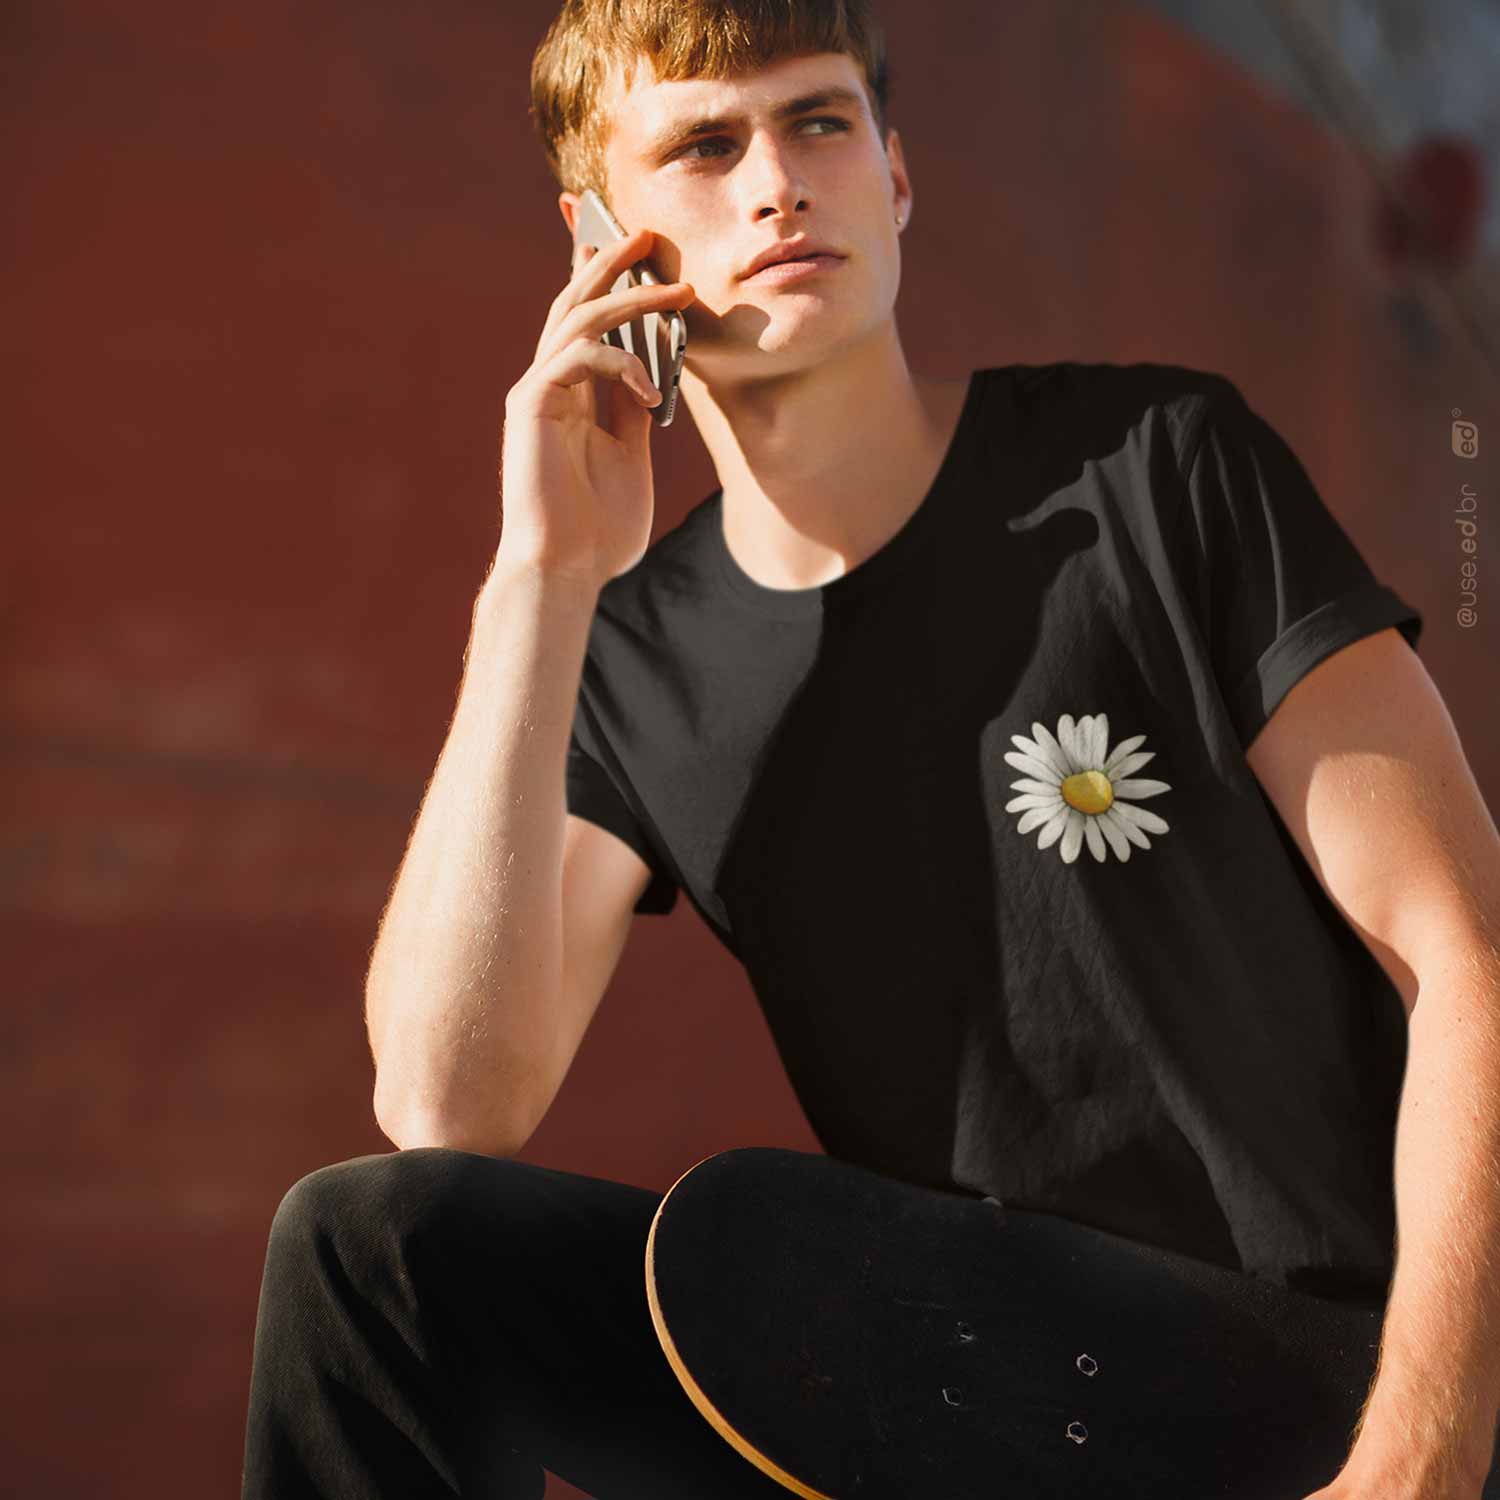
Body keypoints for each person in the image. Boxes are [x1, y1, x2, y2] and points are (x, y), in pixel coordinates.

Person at [241, 3, 1499, 1497]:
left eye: (819, 122)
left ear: (895, 178)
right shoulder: (637, 657)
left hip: (1314, 1384)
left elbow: (1469, 959)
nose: (779, 181)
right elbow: (444, 1106)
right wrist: (541, 577)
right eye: (707, 145)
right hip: (973, 1397)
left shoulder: (1157, 469)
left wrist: (1420, 1462)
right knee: (376, 1257)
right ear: (598, 244)